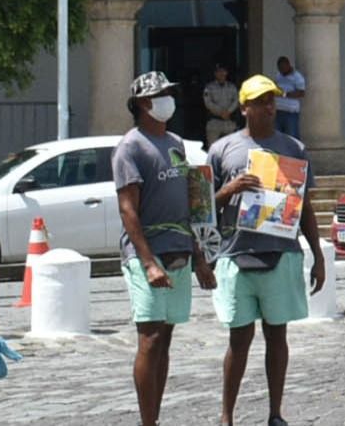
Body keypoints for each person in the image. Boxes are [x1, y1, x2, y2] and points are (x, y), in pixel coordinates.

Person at [210, 73, 324, 426]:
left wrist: (318, 255)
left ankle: (276, 413)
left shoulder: (293, 148)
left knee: (278, 336)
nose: (269, 107)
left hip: (281, 253)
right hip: (235, 254)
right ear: (244, 107)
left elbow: (304, 206)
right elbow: (203, 205)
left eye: (272, 100)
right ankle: (227, 415)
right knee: (239, 339)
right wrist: (230, 189)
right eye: (261, 101)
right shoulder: (223, 150)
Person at [116, 71, 215, 426]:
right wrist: (148, 262)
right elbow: (128, 208)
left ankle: (155, 416)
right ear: (143, 103)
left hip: (180, 249)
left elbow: (188, 203)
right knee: (151, 337)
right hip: (148, 253)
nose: (169, 100)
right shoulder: (131, 146)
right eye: (162, 94)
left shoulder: (174, 142)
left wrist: (199, 259)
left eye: (171, 93)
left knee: (167, 336)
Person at [270, 55, 306, 140]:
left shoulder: (297, 77)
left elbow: (301, 93)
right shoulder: (278, 75)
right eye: (279, 68)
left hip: (290, 112)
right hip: (278, 111)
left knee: (291, 137)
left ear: (288, 65)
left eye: (283, 68)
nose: (281, 70)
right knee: (277, 136)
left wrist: (285, 94)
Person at [202, 63, 242, 139]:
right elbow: (208, 102)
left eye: (223, 71)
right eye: (219, 71)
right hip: (214, 122)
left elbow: (237, 100)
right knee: (213, 148)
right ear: (215, 74)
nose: (221, 73)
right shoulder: (209, 87)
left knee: (230, 147)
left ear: (226, 73)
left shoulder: (232, 87)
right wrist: (221, 112)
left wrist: (228, 112)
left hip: (229, 122)